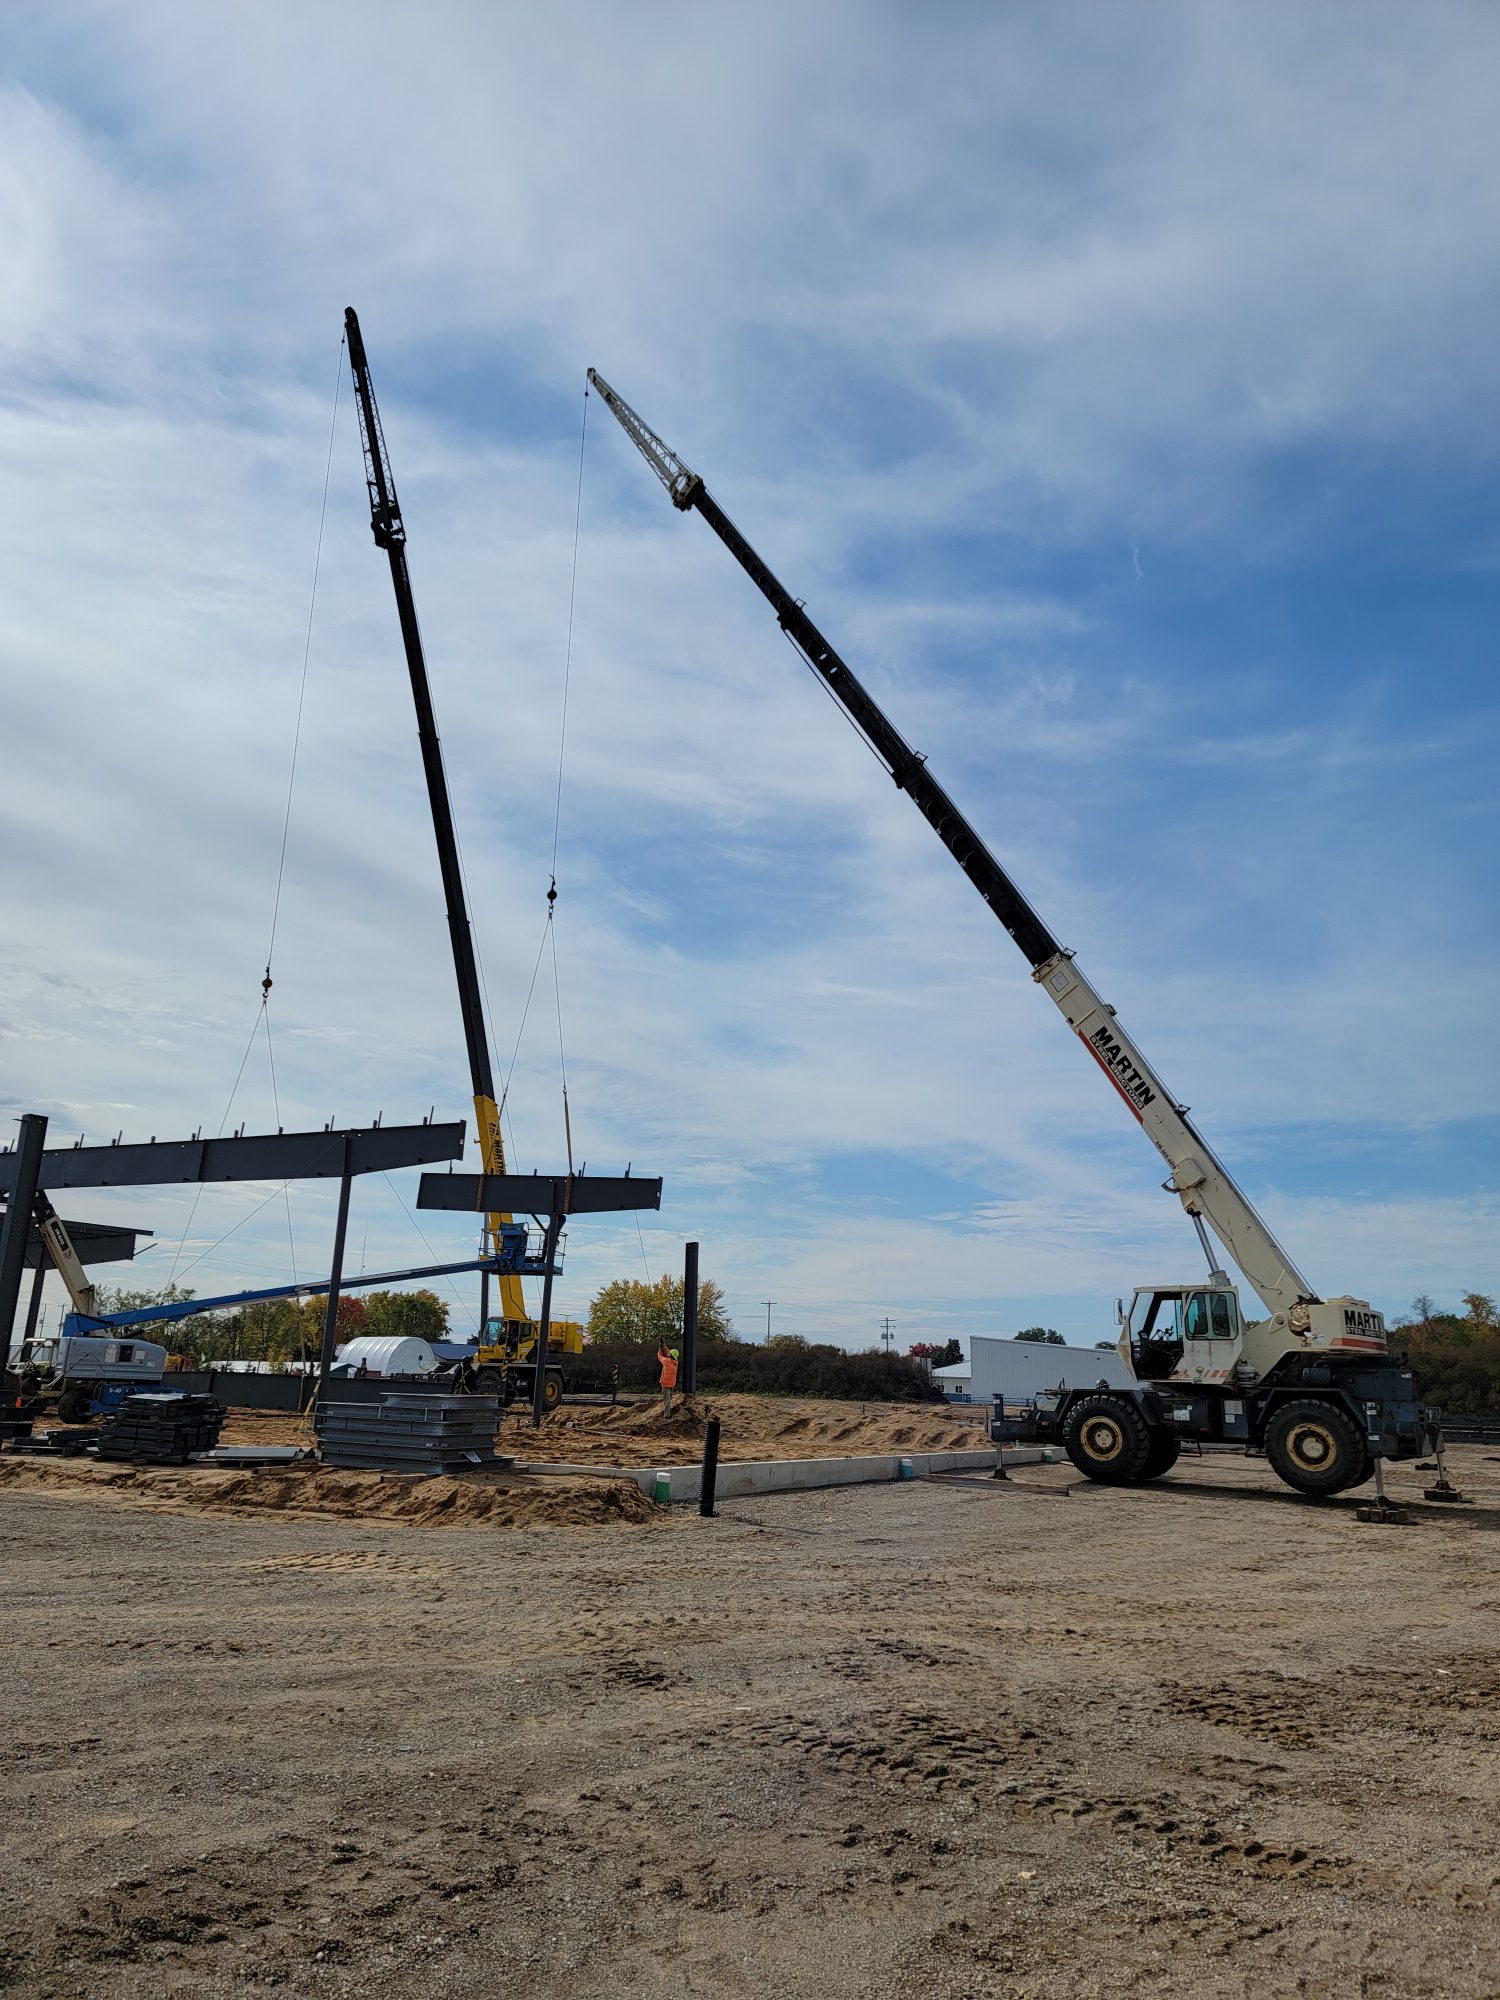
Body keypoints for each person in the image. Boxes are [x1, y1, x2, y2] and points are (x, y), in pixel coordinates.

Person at [657, 1341, 679, 1417]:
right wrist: (664, 1345)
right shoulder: (675, 1362)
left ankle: (667, 1415)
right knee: (669, 1398)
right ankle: (669, 1411)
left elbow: (660, 1356)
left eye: (669, 1354)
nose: (668, 1353)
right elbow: (668, 1352)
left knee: (667, 1400)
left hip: (665, 1384)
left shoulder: (667, 1361)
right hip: (672, 1384)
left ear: (671, 1355)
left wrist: (660, 1347)